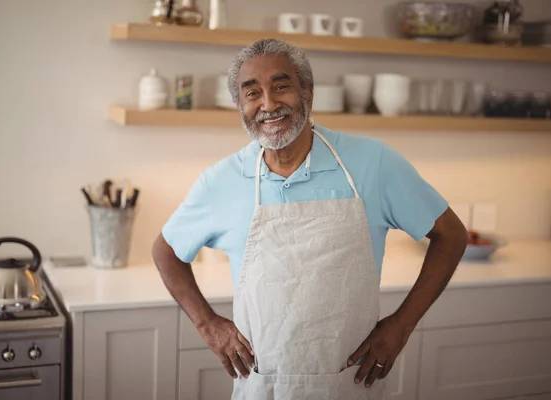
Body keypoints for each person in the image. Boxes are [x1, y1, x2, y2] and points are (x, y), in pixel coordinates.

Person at [152, 38, 468, 400]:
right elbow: (166, 251)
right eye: (252, 93)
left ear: (309, 93)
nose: (268, 104)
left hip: (350, 383)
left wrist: (402, 324)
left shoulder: (372, 163)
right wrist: (208, 325)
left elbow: (452, 235)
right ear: (240, 105)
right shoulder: (220, 182)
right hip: (262, 386)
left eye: (281, 86)